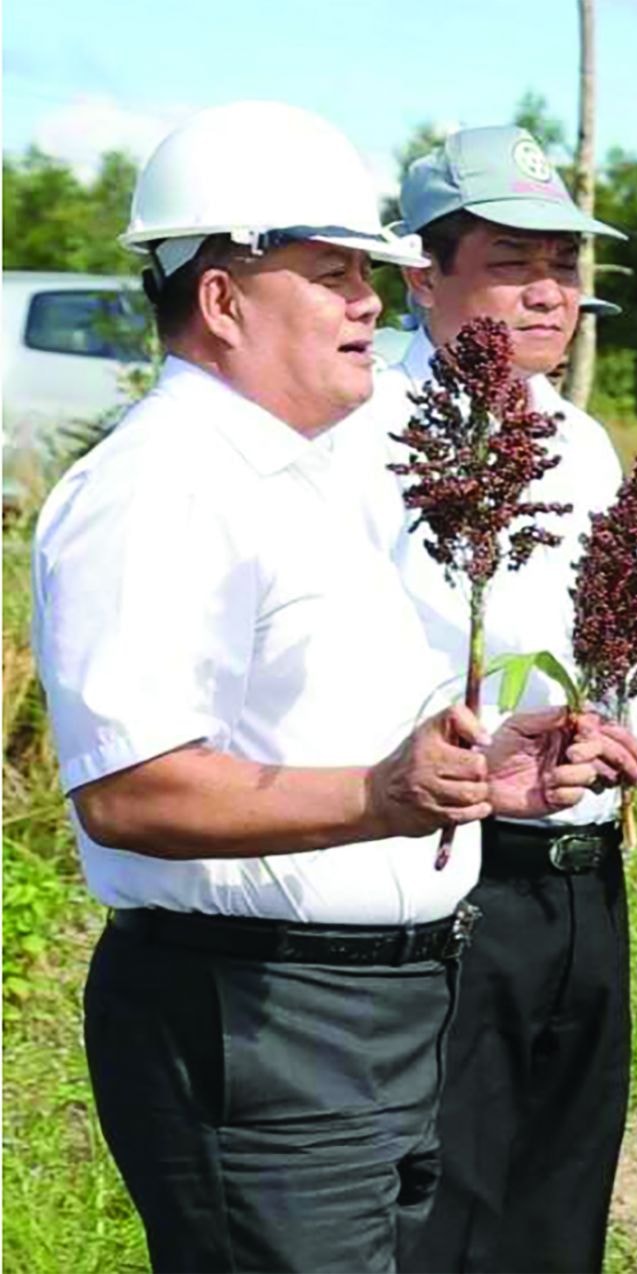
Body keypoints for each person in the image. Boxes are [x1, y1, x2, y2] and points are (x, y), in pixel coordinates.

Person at [30, 101, 603, 1274]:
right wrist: (384, 797)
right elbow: (131, 792)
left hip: (379, 1011)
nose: (367, 303)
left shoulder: (297, 481)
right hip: (259, 1015)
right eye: (332, 272)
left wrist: (478, 774)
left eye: (369, 273)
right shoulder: (159, 488)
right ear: (223, 298)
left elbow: (322, 739)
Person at [336, 124, 637, 1274]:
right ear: (423, 276)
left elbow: (618, 655)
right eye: (513, 261)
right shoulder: (361, 442)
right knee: (443, 1210)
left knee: (558, 1205)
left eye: (566, 261)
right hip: (442, 882)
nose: (551, 290)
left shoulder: (582, 441)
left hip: (580, 882)